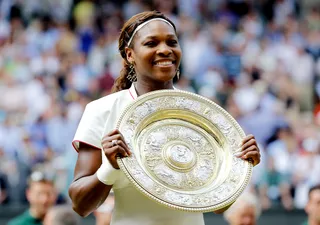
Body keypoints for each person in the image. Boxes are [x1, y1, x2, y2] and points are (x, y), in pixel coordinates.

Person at [68, 10, 261, 225]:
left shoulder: (203, 113)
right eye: (151, 43)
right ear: (130, 54)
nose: (165, 50)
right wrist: (109, 167)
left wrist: (240, 167)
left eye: (172, 42)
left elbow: (219, 206)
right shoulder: (103, 110)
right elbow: (80, 204)